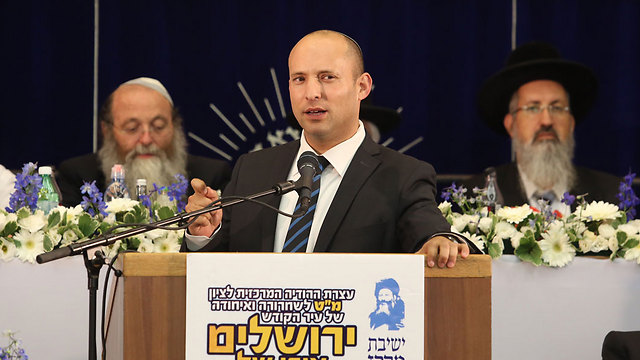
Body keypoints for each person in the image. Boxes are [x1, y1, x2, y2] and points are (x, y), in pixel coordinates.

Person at [183, 30, 471, 268]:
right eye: (299, 79)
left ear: (362, 86)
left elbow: (430, 230)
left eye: (327, 77)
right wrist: (204, 234)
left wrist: (437, 240)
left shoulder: (402, 175)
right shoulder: (253, 169)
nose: (311, 93)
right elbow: (215, 276)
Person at [467, 42, 620, 214]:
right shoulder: (475, 198)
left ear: (571, 123)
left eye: (556, 108)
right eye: (533, 108)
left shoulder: (612, 195)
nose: (546, 121)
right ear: (511, 124)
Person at [56, 77, 231, 206]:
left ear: (175, 126)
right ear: (106, 130)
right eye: (132, 128)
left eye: (158, 126)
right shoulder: (78, 177)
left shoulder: (211, 178)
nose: (146, 139)